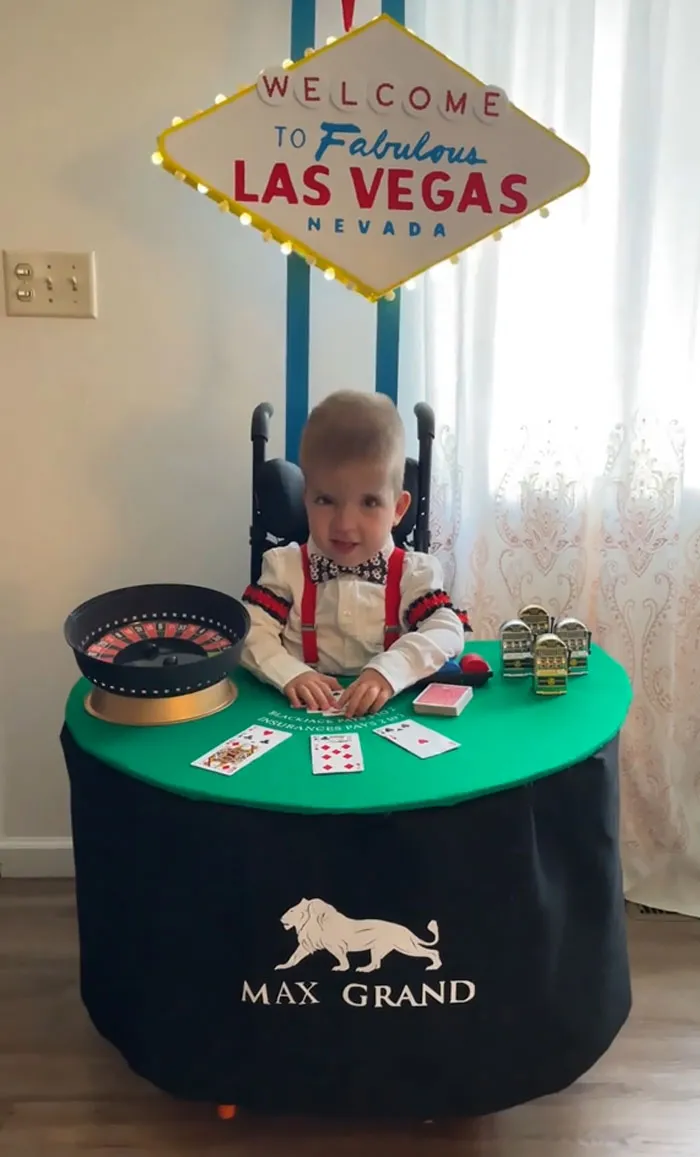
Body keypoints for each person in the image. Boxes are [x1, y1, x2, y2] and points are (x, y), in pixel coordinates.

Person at [241, 391, 469, 718]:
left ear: (399, 509)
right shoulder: (285, 567)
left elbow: (446, 629)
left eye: (370, 502)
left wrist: (389, 671)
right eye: (326, 500)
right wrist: (289, 672)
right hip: (296, 711)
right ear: (305, 500)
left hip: (392, 711)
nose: (345, 524)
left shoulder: (414, 573)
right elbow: (250, 629)